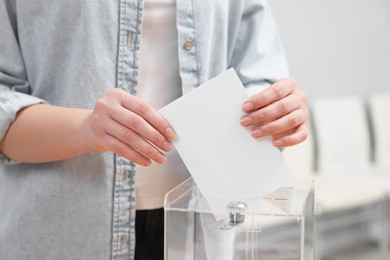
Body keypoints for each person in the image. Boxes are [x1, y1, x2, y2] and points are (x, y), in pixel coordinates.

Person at [0, 0, 308, 259]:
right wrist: (85, 128)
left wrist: (278, 109)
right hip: (64, 233)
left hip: (199, 233)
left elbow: (260, 75)